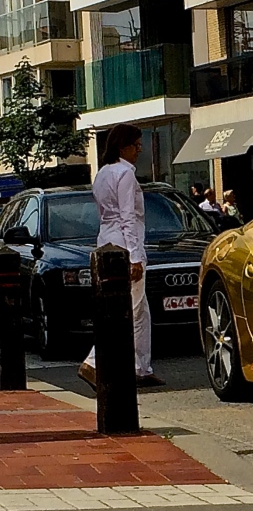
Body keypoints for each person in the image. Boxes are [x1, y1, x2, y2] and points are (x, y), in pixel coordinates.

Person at [78, 124, 164, 389]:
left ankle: (140, 366)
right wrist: (135, 257)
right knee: (129, 308)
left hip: (107, 240)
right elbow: (128, 216)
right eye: (136, 145)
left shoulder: (103, 173)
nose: (139, 150)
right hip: (126, 245)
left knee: (140, 313)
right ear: (121, 146)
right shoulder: (125, 174)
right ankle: (92, 362)